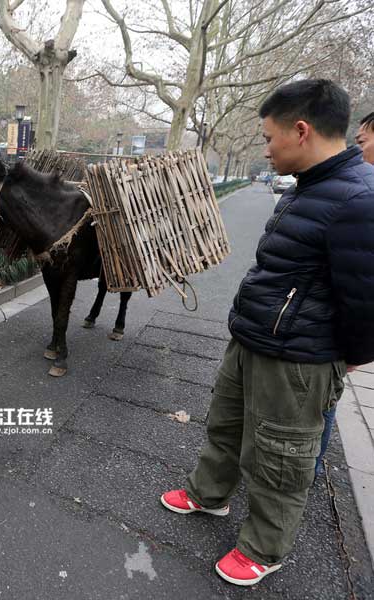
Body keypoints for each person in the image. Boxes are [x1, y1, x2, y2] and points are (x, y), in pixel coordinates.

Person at [159, 80, 374, 587]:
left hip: (299, 359)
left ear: (301, 131)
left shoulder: (357, 201)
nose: (265, 147)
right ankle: (209, 493)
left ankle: (264, 545)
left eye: (269, 137)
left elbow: (366, 302)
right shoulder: (310, 187)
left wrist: (343, 359)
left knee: (281, 457)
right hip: (254, 340)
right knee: (226, 426)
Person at [316, 109, 374, 475]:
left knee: (320, 402)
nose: (356, 149)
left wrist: (357, 349)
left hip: (328, 339)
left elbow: (364, 289)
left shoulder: (364, 198)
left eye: (363, 141)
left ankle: (305, 472)